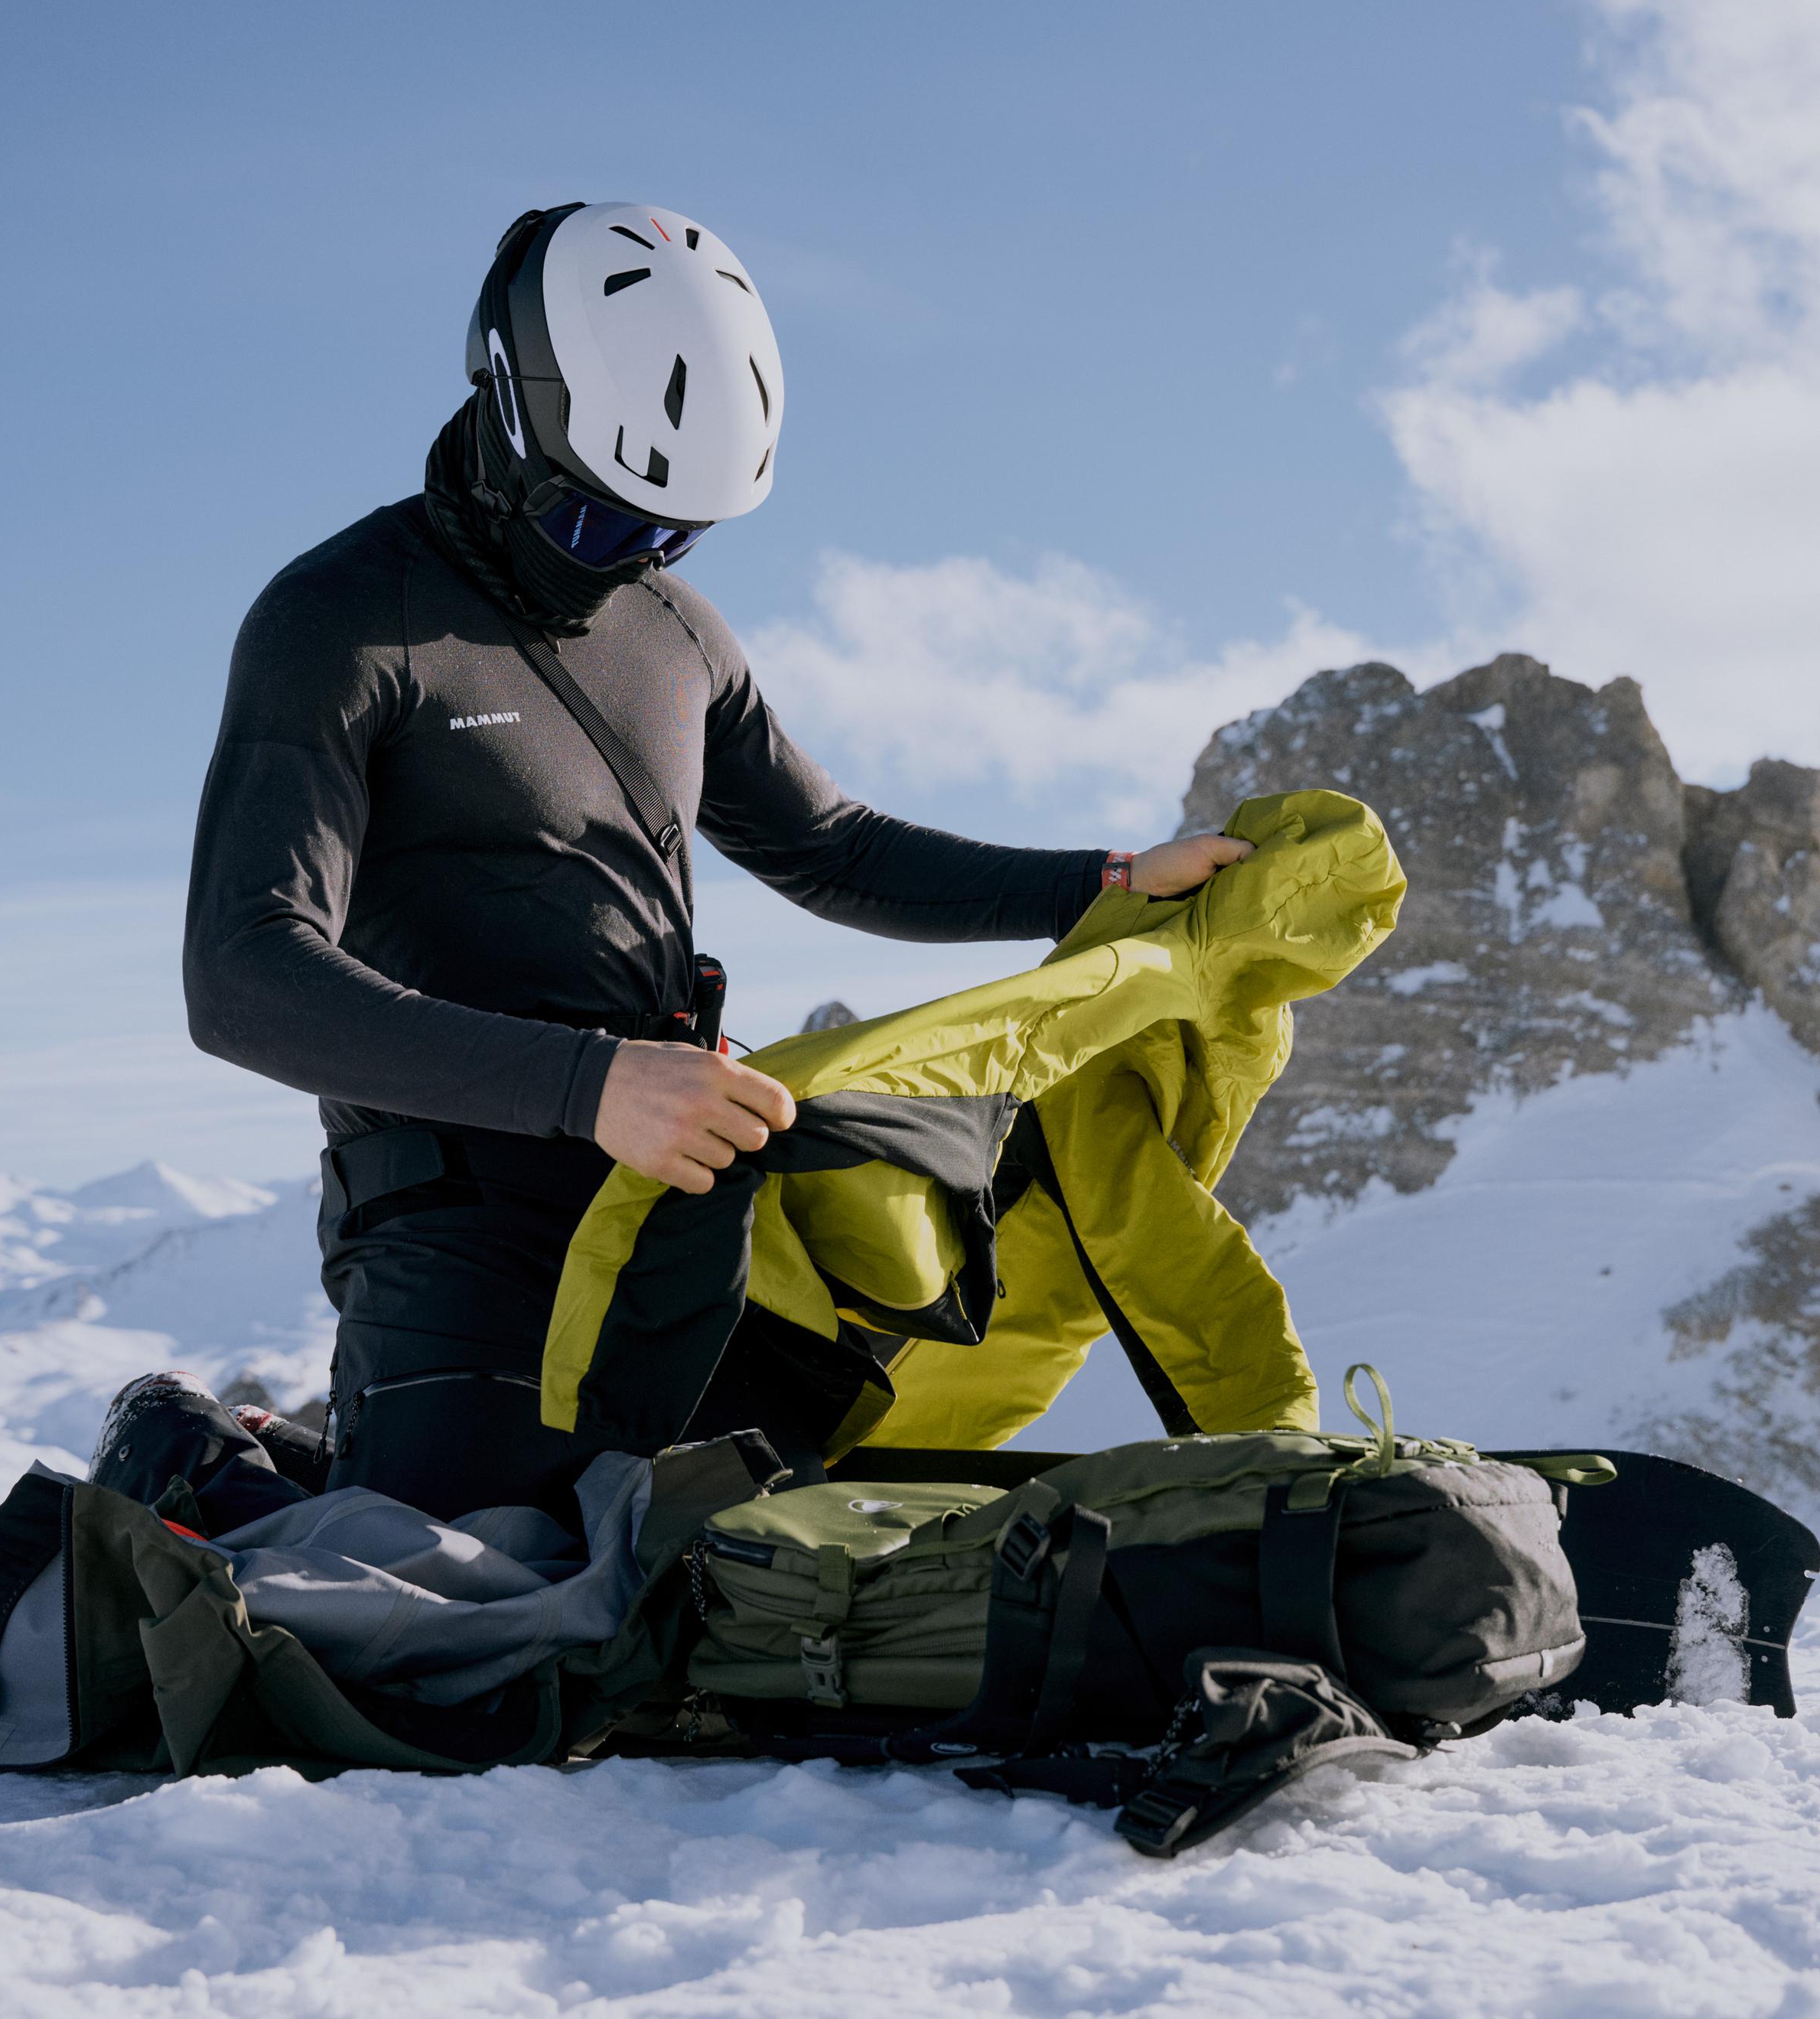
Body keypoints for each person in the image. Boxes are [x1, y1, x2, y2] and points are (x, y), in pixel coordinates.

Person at [165, 200, 1247, 1526]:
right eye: (602, 527)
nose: (637, 563)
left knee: (732, 1606)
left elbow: (828, 846)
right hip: (459, 1242)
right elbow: (243, 974)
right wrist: (592, 1083)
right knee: (463, 1633)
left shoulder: (672, 628)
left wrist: (1105, 885)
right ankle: (198, 1465)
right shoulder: (340, 624)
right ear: (508, 406)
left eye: (676, 535)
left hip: (675, 1217)